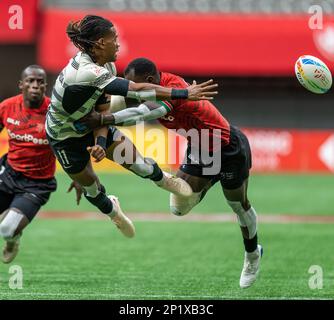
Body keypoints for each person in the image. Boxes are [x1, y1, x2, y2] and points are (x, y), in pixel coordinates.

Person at [77, 57, 263, 289]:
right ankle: (204, 184)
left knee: (238, 205)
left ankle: (253, 254)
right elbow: (114, 103)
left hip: (228, 148)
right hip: (200, 147)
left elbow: (143, 114)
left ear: (150, 81)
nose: (132, 91)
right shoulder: (145, 88)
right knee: (178, 208)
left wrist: (105, 118)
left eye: (135, 85)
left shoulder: (173, 91)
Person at [46, 15, 218, 239]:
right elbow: (137, 89)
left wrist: (100, 142)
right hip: (63, 138)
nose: (118, 43)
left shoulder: (104, 65)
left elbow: (102, 110)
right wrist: (184, 93)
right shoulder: (87, 72)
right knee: (90, 189)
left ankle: (164, 180)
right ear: (100, 43)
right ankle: (113, 212)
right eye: (114, 38)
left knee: (139, 165)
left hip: (91, 123)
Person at [0, 65, 57, 263]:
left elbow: (72, 145)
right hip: (8, 174)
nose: (35, 86)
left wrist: (79, 176)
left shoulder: (55, 113)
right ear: (21, 85)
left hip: (37, 183)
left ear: (45, 86)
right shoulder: (7, 106)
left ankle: (12, 240)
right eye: (30, 81)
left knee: (6, 229)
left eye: (40, 82)